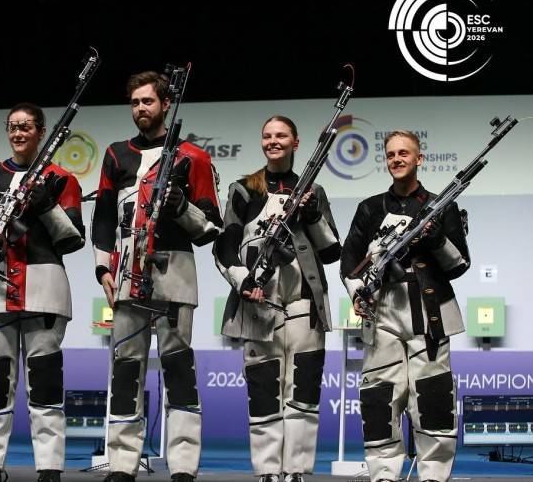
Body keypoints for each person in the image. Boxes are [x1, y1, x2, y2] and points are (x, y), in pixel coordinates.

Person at [91, 71, 222, 482]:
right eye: (135, 102)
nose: (140, 109)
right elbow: (103, 216)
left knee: (178, 369)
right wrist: (102, 268)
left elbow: (212, 228)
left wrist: (180, 206)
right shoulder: (116, 155)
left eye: (147, 101)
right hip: (126, 274)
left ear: (166, 104)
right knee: (125, 370)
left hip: (175, 275)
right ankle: (122, 464)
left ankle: (182, 466)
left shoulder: (193, 157)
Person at [0, 103, 85, 482]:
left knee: (45, 383)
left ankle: (50, 468)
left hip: (46, 291)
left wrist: (45, 206)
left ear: (42, 132)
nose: (18, 132)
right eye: (12, 126)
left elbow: (73, 239)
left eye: (26, 126)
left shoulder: (62, 179)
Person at [213, 115, 341, 482]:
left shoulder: (314, 191)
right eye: (267, 135)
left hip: (304, 304)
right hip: (258, 304)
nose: (273, 141)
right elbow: (224, 246)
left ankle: (296, 469)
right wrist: (243, 281)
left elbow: (332, 251)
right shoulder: (243, 190)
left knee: (303, 390)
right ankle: (268, 470)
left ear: (295, 142)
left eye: (281, 135)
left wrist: (313, 216)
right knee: (264, 389)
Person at [340, 130, 469, 482]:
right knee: (380, 397)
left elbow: (459, 265)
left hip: (430, 313)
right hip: (382, 312)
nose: (396, 159)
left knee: (433, 396)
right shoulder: (369, 208)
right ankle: (383, 474)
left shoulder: (443, 206)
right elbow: (349, 261)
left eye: (404, 153)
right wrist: (358, 293)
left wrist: (436, 238)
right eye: (391, 154)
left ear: (419, 159)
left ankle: (434, 475)